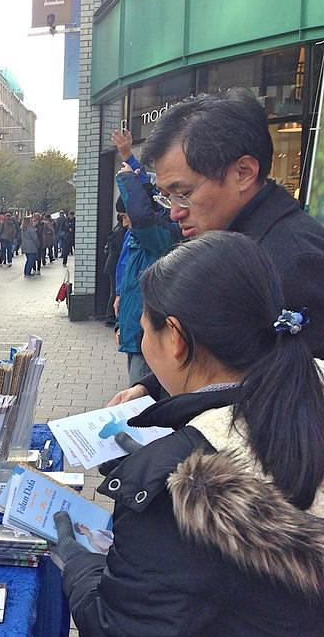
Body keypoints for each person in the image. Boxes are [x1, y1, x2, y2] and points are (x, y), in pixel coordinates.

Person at [51, 232, 324, 637]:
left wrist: (77, 562)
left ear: (175, 339)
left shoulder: (182, 482)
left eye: (141, 328)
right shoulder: (306, 384)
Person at [109, 88, 324, 405]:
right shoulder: (228, 244)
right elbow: (221, 358)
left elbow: (284, 407)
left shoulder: (296, 263)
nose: (174, 212)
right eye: (167, 196)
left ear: (244, 172)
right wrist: (150, 388)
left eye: (183, 193)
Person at [114, 157, 176, 386]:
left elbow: (142, 216)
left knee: (141, 398)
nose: (125, 224)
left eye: (124, 217)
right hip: (135, 334)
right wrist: (121, 322)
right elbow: (130, 288)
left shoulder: (155, 240)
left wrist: (128, 178)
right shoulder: (138, 243)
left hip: (146, 336)